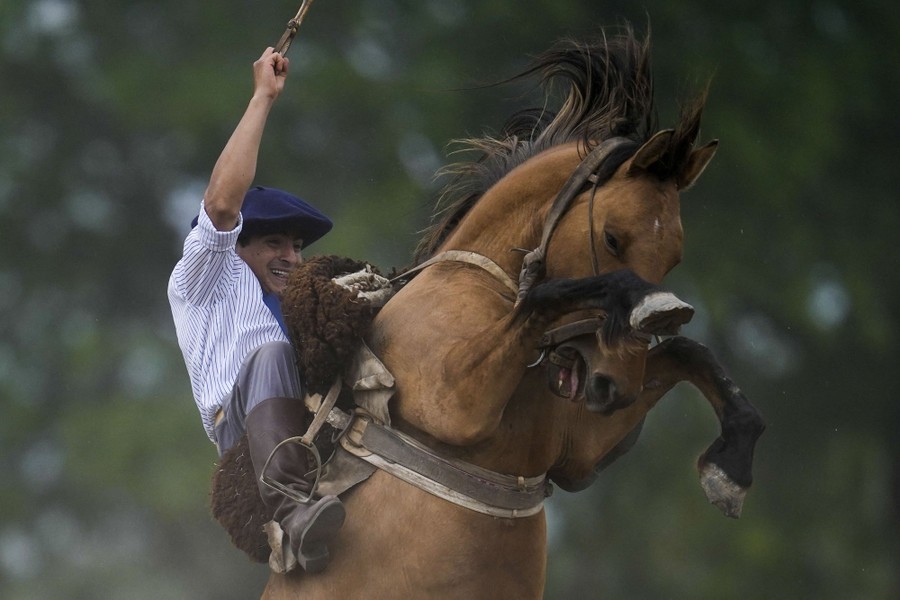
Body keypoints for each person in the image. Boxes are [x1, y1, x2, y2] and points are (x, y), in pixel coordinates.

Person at [167, 47, 344, 574]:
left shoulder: (301, 303)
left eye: (296, 245)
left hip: (306, 419)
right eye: (274, 243)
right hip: (241, 432)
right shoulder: (203, 277)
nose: (291, 257)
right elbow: (222, 206)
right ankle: (291, 511)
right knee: (270, 353)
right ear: (236, 244)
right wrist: (263, 97)